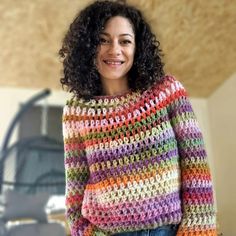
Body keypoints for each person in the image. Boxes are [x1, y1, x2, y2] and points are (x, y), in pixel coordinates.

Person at [59, 1, 217, 235]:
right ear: (87, 46)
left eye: (125, 41)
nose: (114, 50)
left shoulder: (166, 91)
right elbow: (75, 189)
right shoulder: (76, 111)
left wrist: (198, 226)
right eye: (103, 40)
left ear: (138, 47)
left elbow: (195, 162)